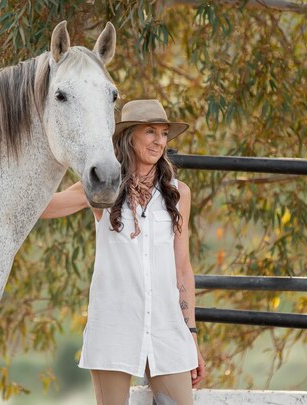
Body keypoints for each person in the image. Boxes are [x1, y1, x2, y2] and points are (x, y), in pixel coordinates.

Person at [41, 99, 206, 405]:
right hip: (114, 325)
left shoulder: (178, 193)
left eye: (164, 133)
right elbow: (45, 207)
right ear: (129, 136)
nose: (159, 141)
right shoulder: (103, 187)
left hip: (166, 329)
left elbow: (182, 269)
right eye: (150, 132)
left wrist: (191, 336)